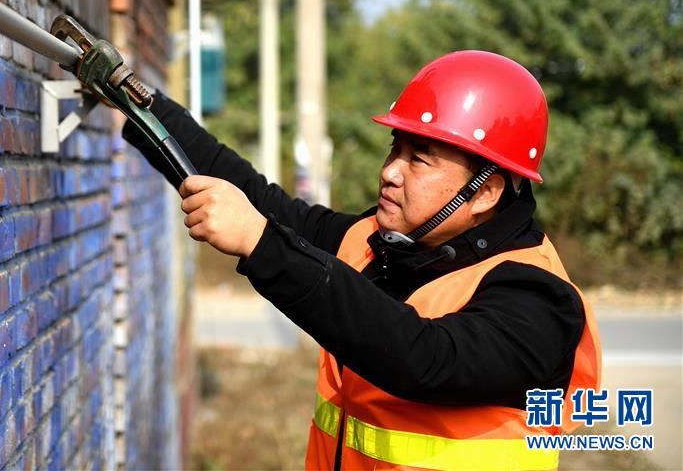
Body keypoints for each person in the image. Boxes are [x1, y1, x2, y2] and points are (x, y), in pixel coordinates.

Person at [122, 50, 601, 471]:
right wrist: (140, 102)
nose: (390, 171)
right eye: (395, 148)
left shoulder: (536, 298)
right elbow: (263, 203)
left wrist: (261, 243)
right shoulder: (379, 241)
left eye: (420, 158)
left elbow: (424, 358)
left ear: (486, 192)